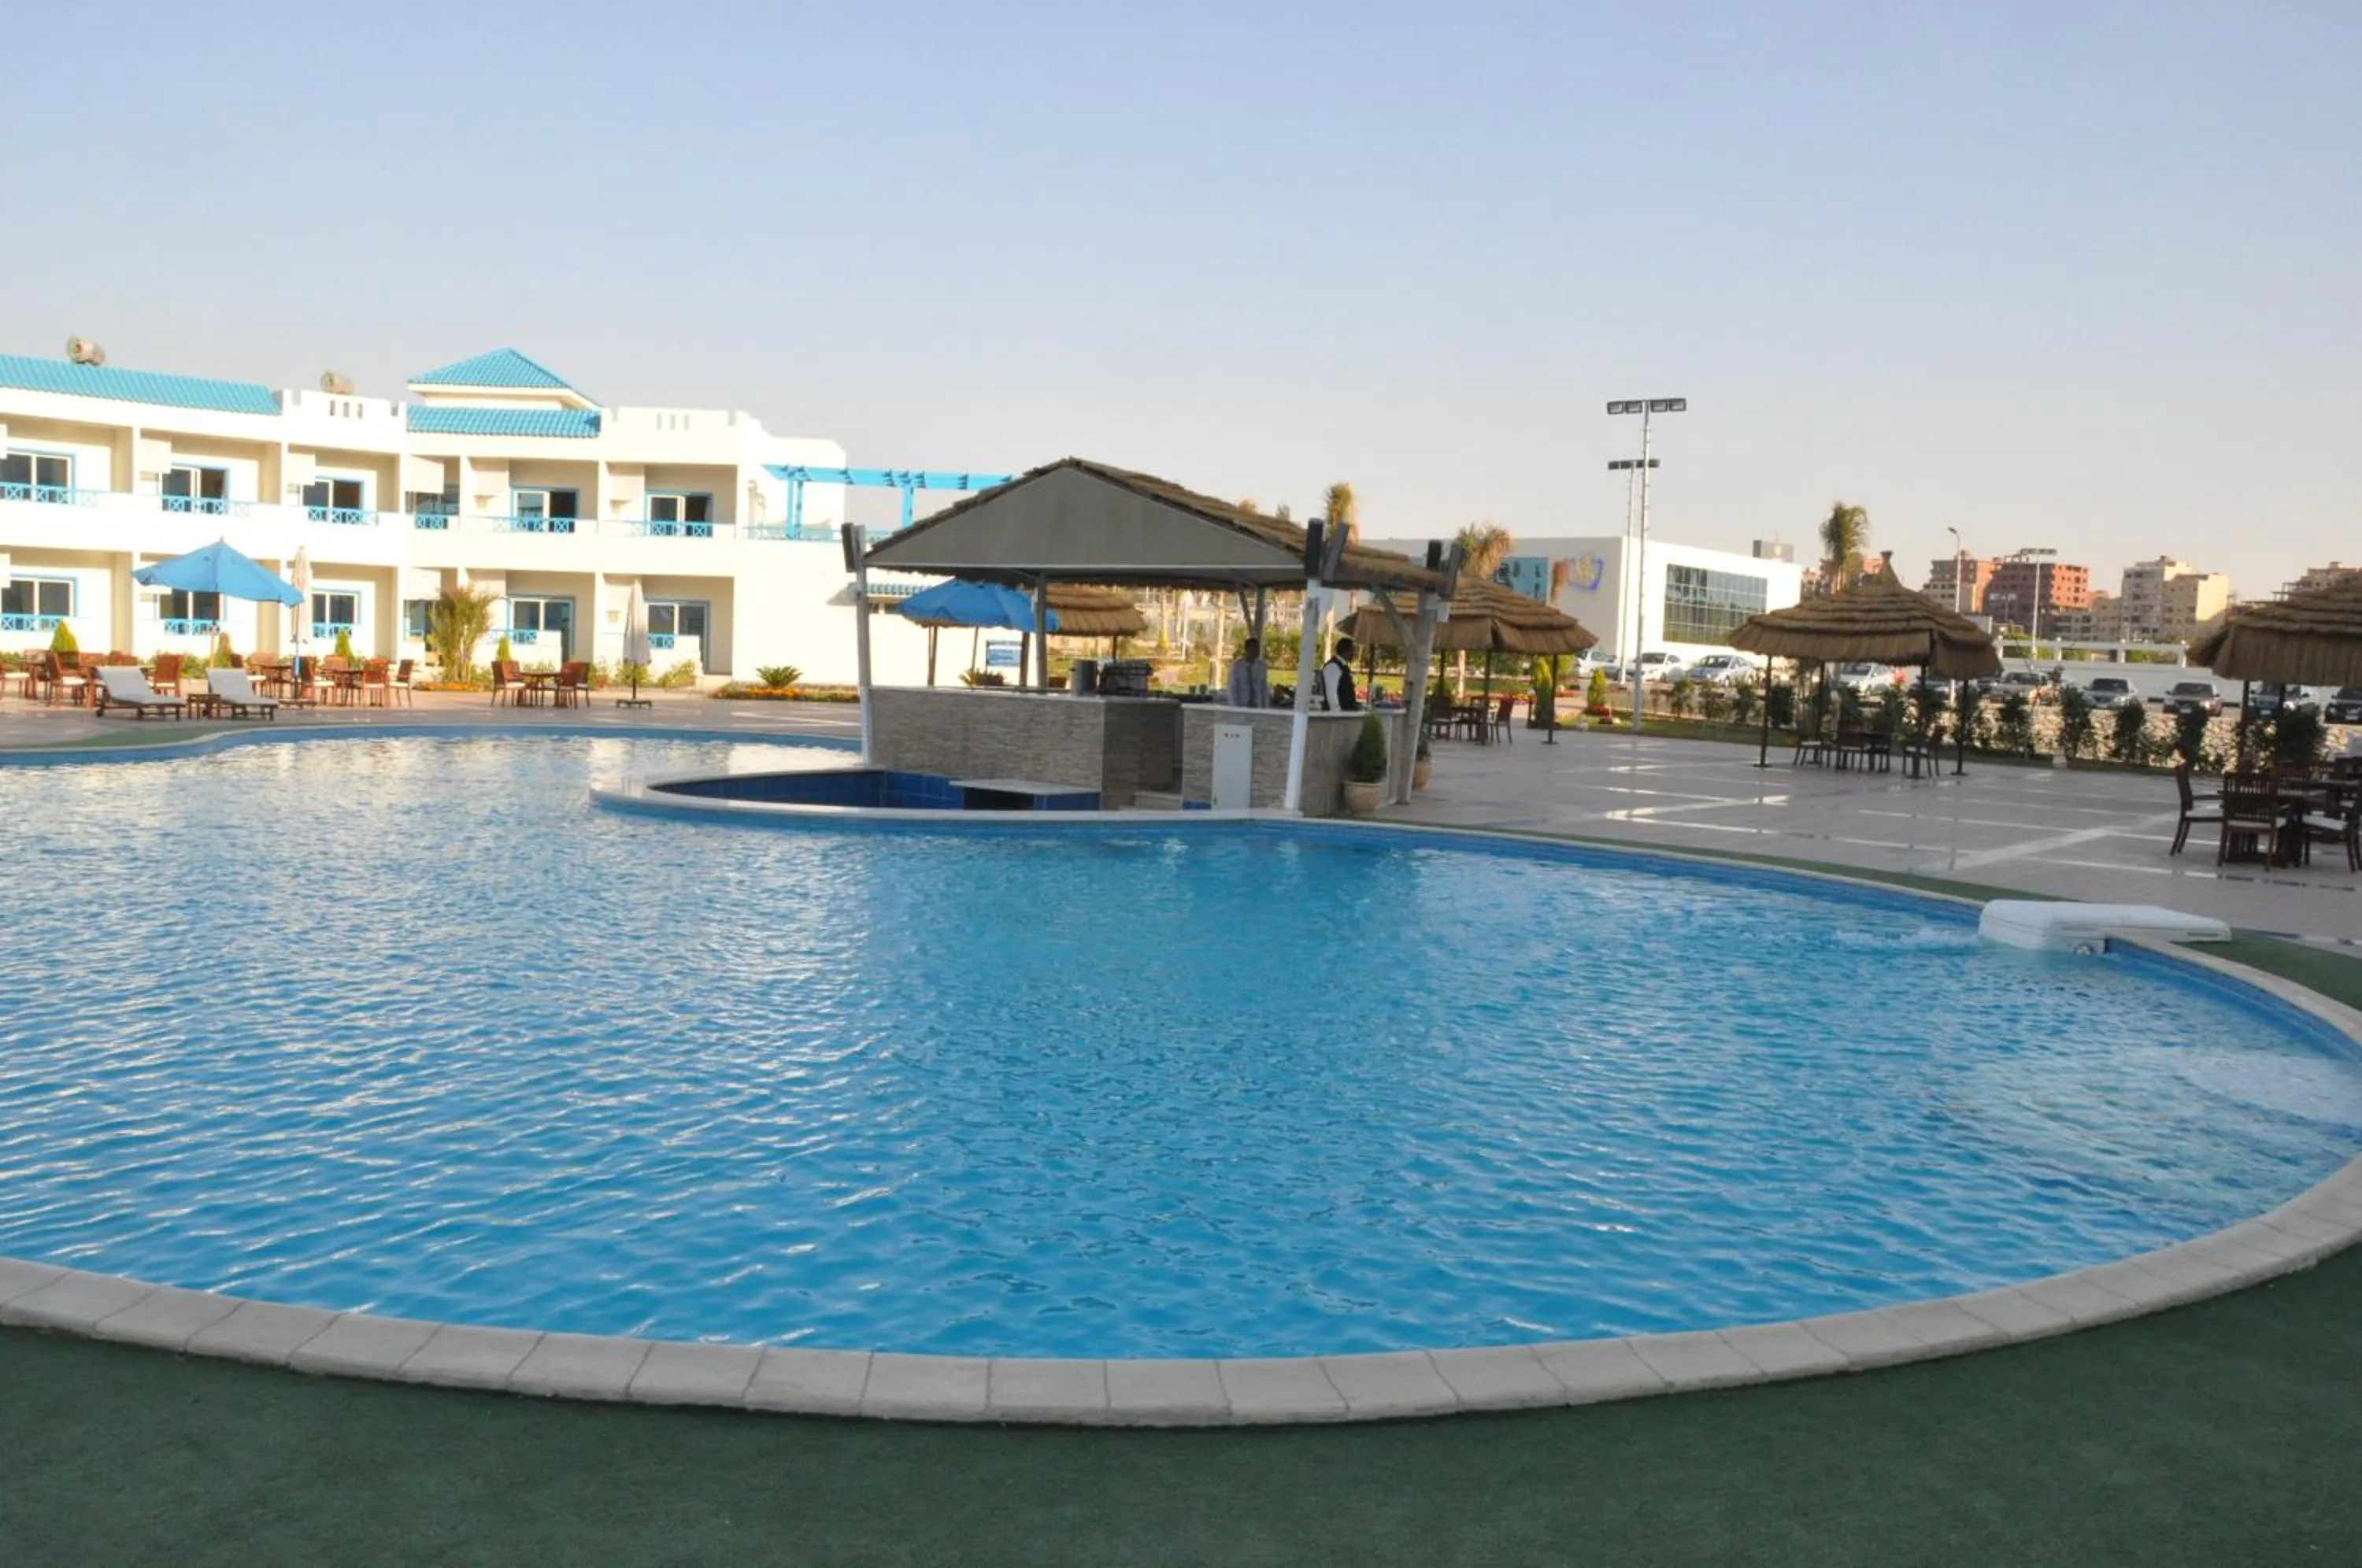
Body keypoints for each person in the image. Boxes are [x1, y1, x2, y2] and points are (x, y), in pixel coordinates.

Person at [1226, 637, 1270, 708]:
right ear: (1247, 649)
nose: (1257, 651)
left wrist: (1265, 707)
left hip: (1257, 706)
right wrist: (1235, 708)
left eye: (1258, 649)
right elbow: (1233, 688)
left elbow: (1264, 688)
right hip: (1242, 706)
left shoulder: (1261, 666)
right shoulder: (1237, 666)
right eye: (1254, 648)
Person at [1321, 636, 1362, 712]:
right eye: (1352, 650)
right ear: (1346, 651)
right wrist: (1337, 713)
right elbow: (1332, 693)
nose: (1354, 654)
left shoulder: (1343, 666)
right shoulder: (1333, 667)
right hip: (1339, 714)